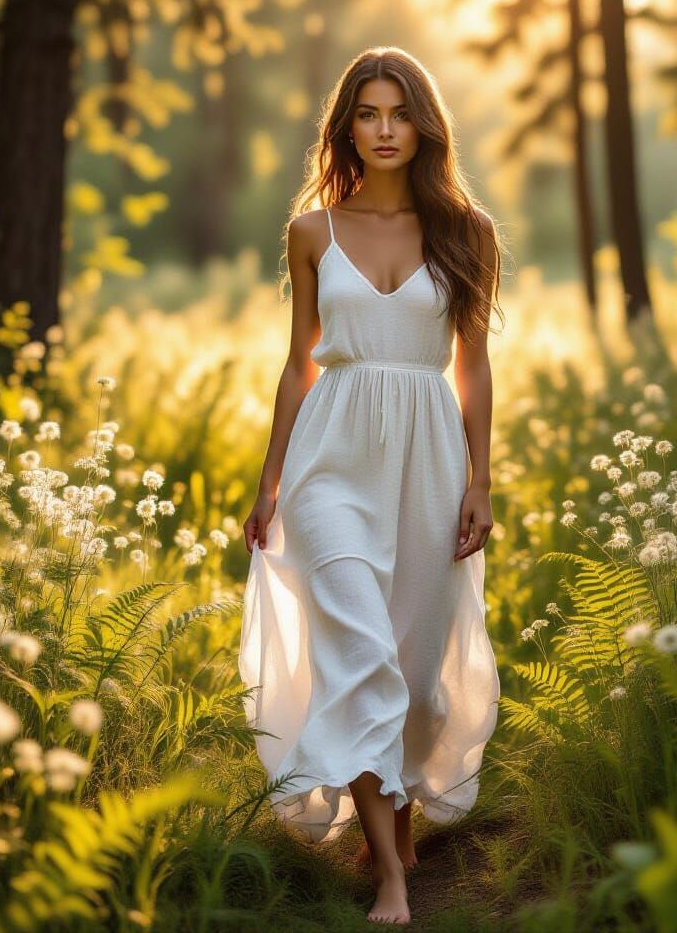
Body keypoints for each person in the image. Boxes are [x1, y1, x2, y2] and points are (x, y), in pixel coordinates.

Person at [240, 46, 504, 926]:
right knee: (359, 653)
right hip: (330, 463)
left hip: (427, 459)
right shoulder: (312, 231)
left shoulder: (467, 231)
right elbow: (296, 367)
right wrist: (271, 481)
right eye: (367, 114)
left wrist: (481, 481)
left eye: (399, 113)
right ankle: (390, 871)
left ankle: (395, 804)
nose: (384, 129)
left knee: (417, 668)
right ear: (346, 125)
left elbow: (474, 367)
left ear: (424, 124)